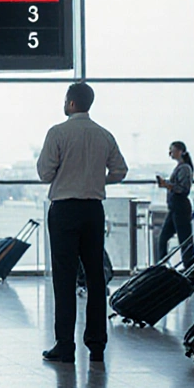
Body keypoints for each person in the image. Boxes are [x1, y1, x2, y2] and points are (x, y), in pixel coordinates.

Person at [37, 82, 128, 364]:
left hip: (64, 209)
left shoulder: (58, 132)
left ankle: (65, 345)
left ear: (71, 103)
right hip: (93, 210)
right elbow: (120, 171)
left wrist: (68, 175)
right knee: (95, 277)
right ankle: (97, 345)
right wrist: (95, 178)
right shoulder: (104, 134)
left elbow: (44, 172)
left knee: (64, 278)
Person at [156, 141, 194, 269]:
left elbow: (182, 189)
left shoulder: (184, 168)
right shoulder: (181, 167)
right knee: (171, 238)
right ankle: (164, 265)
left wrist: (166, 185)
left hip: (180, 207)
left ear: (180, 151)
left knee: (183, 240)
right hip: (176, 208)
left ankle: (189, 267)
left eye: (172, 150)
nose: (170, 153)